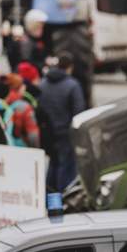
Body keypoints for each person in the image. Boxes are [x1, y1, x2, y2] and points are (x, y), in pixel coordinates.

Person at [38, 52, 86, 192]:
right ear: (70, 67)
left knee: (53, 164)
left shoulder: (43, 83)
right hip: (65, 133)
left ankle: (49, 196)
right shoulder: (72, 85)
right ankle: (64, 197)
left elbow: (39, 107)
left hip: (48, 133)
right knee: (66, 168)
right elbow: (78, 111)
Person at [3, 73, 41, 149]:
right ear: (20, 87)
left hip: (5, 148)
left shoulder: (4, 102)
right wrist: (36, 150)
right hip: (22, 148)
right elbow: (33, 135)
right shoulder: (24, 107)